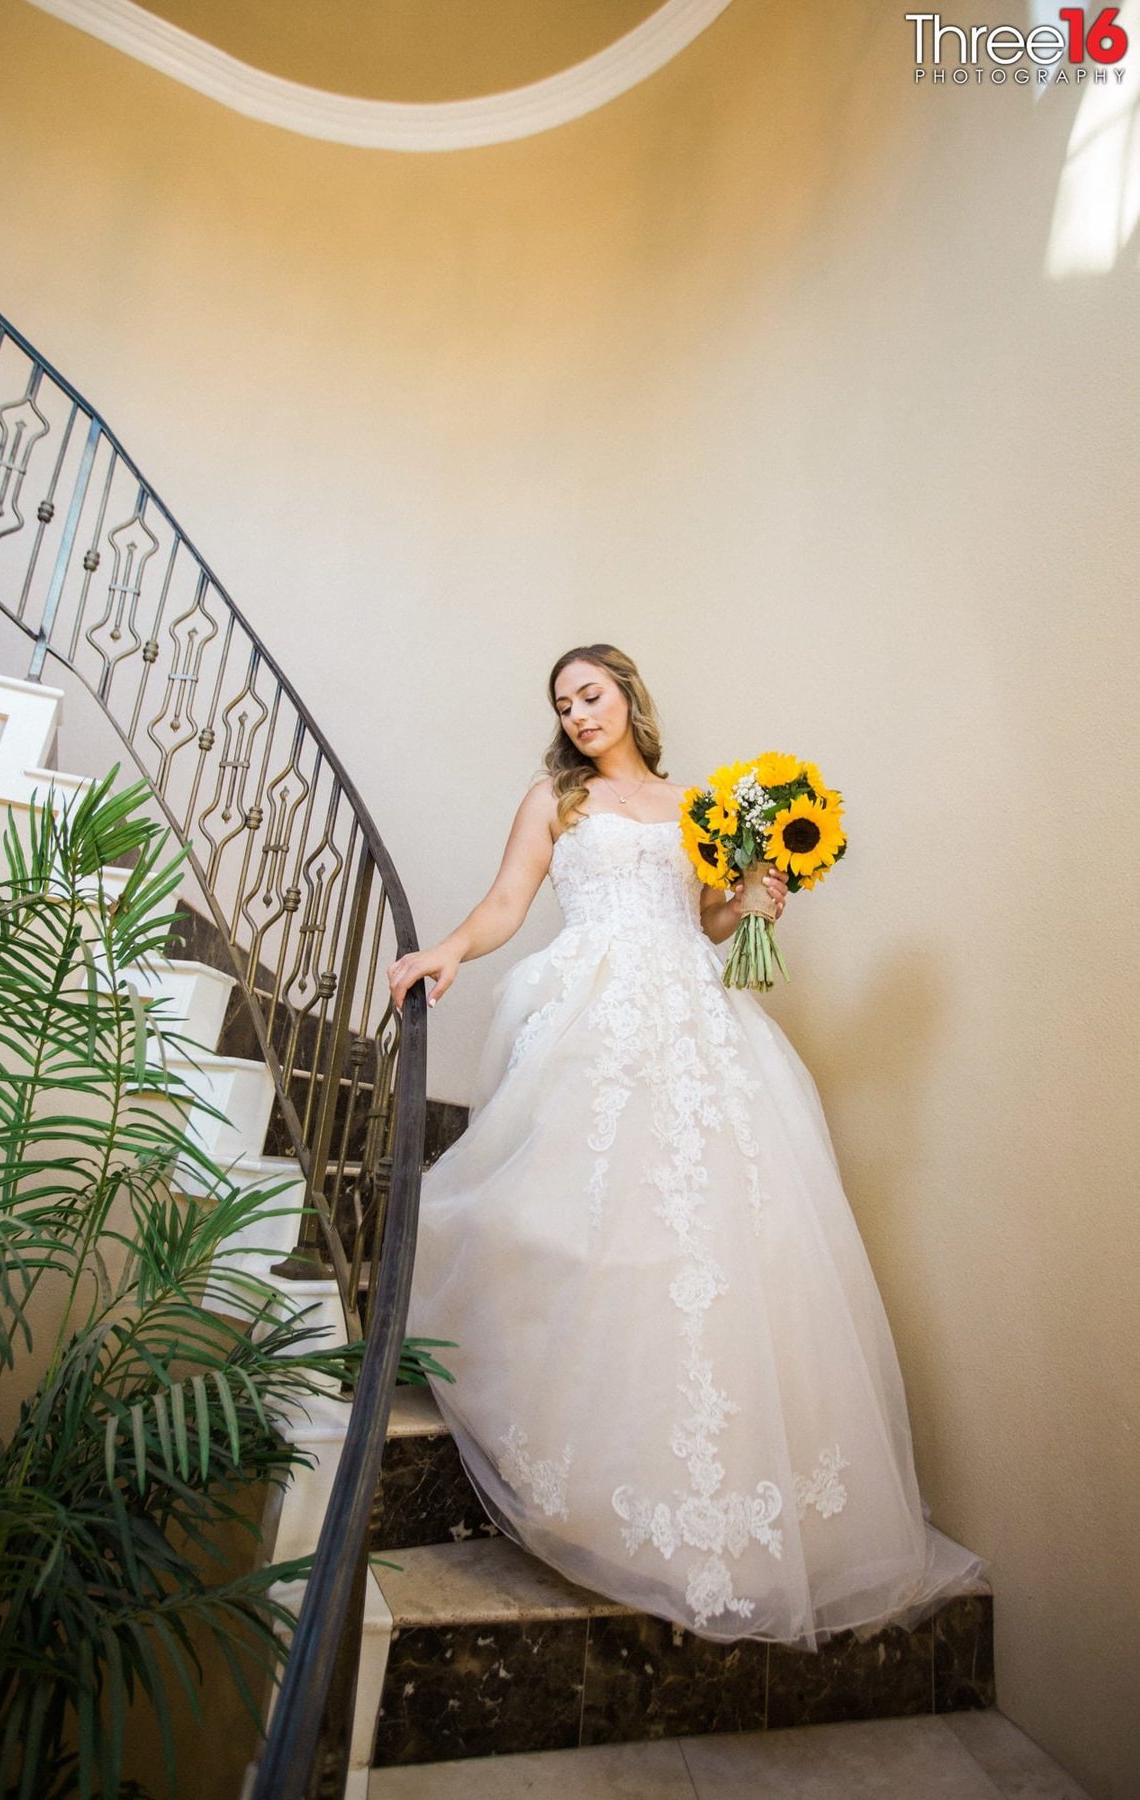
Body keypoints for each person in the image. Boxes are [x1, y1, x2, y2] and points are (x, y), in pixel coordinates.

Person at [387, 643, 985, 1648]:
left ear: (628, 695)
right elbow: (505, 906)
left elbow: (703, 919)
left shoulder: (699, 803)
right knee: (587, 1227)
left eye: (593, 694)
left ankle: (726, 1502)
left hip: (696, 1020)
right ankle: (587, 1474)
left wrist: (747, 902)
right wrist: (444, 951)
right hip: (594, 1019)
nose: (579, 714)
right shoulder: (553, 802)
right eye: (565, 703)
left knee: (716, 1242)